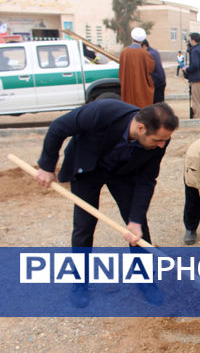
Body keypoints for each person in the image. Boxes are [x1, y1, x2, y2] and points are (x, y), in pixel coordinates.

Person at [35, 100, 179, 306]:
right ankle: (80, 282)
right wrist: (47, 166)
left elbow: (146, 180)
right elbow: (59, 127)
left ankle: (144, 278)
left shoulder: (160, 139)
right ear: (141, 127)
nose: (162, 145)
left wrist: (135, 220)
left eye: (165, 140)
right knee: (84, 226)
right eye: (158, 140)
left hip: (123, 172)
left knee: (138, 228)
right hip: (88, 169)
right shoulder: (104, 112)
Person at [118, 27, 155, 108]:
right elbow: (151, 68)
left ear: (132, 38)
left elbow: (121, 71)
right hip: (142, 88)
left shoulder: (124, 52)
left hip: (128, 89)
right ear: (142, 40)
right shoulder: (145, 53)